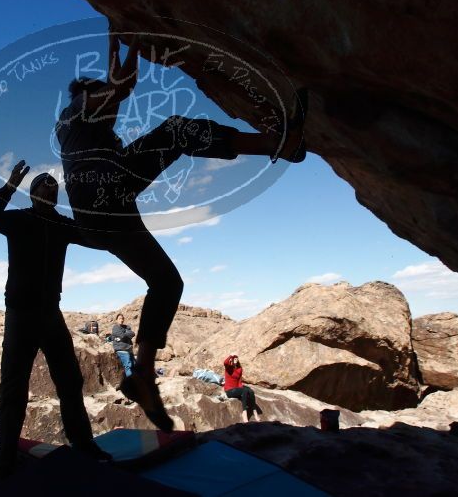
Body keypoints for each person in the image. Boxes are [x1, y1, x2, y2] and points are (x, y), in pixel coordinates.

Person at [55, 26, 308, 431]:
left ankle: (142, 374)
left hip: (101, 214)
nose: (111, 105)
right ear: (85, 94)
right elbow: (122, 84)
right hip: (108, 194)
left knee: (167, 282)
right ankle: (279, 142)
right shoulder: (78, 109)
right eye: (98, 93)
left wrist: (117, 40)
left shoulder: (78, 125)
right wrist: (124, 35)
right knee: (175, 130)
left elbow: (118, 85)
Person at [0, 160, 111, 478]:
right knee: (14, 387)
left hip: (51, 314)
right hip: (20, 316)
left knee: (70, 381)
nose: (50, 189)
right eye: (43, 185)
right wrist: (10, 184)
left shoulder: (61, 225)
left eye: (54, 187)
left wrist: (89, 198)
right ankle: (5, 460)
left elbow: (95, 237)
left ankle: (84, 445)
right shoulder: (19, 219)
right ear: (33, 193)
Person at [223, 355, 262, 423]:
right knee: (245, 390)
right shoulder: (228, 368)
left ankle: (254, 411)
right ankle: (244, 413)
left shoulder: (239, 369)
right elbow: (225, 362)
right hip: (229, 390)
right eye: (234, 359)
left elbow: (239, 381)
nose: (235, 360)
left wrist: (242, 388)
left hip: (237, 389)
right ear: (231, 360)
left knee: (250, 391)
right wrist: (231, 356)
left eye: (236, 359)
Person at [111, 313, 135, 377]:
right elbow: (123, 336)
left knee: (134, 365)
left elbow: (133, 334)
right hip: (122, 350)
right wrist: (126, 333)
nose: (121, 320)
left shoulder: (126, 327)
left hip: (129, 350)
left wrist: (125, 334)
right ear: (116, 320)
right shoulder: (115, 328)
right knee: (128, 366)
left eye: (122, 318)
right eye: (120, 318)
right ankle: (130, 383)